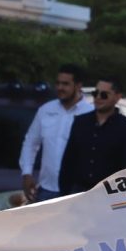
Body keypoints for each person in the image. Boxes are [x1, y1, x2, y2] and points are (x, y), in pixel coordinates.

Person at [19, 63, 93, 203]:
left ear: (78, 86)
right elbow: (30, 143)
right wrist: (26, 173)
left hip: (77, 192)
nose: (60, 87)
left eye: (65, 84)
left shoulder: (90, 113)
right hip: (46, 190)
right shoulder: (46, 110)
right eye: (58, 83)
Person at [59, 77, 126, 194]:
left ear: (117, 97)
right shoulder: (80, 122)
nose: (98, 97)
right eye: (95, 93)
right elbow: (68, 161)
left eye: (104, 95)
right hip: (78, 193)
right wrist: (64, 193)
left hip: (111, 195)